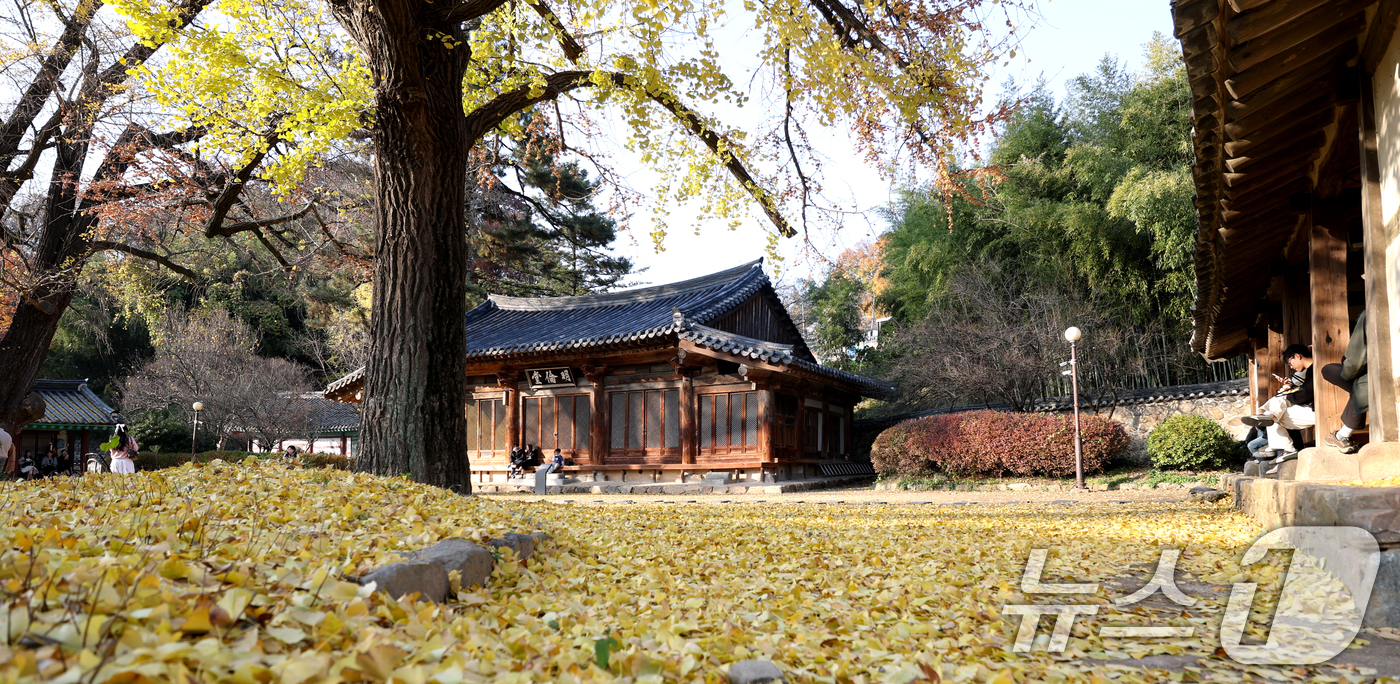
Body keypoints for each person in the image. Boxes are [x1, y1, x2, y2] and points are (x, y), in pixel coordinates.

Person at [1240, 344, 1315, 474]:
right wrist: (1289, 391)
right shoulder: (1309, 371)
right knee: (1275, 414)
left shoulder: (1315, 369)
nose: (1291, 367)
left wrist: (1288, 394)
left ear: (1297, 356)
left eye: (1289, 362)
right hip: (1309, 410)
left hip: (1317, 412)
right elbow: (1304, 392)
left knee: (1277, 404)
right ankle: (1286, 449)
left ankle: (1267, 418)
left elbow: (1306, 393)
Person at [1321, 311, 1369, 455]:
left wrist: (1347, 370)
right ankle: (1342, 435)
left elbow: (1356, 360)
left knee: (1329, 370)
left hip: (1371, 377)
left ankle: (1341, 436)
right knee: (1357, 386)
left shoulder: (1370, 313)